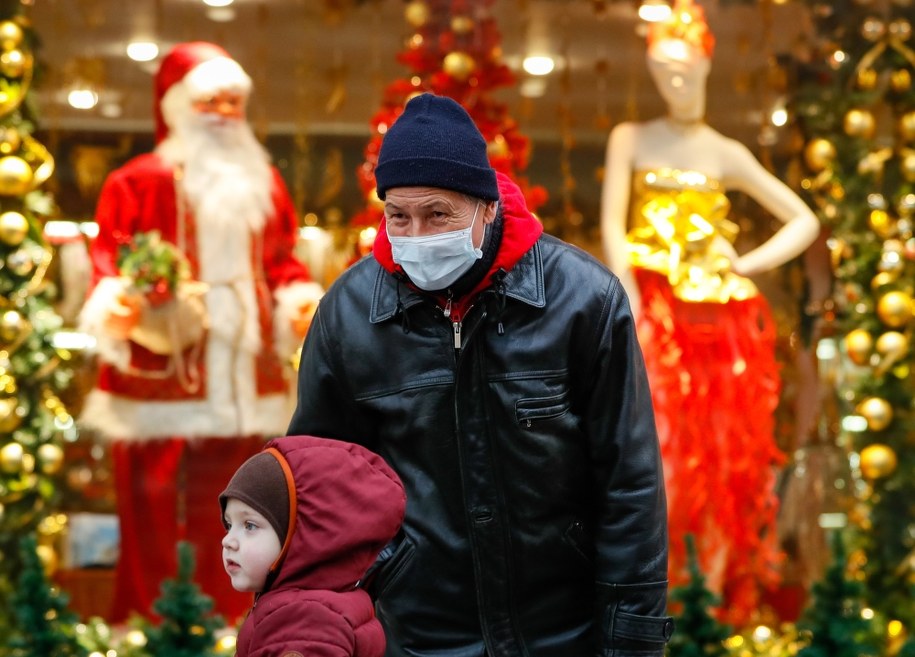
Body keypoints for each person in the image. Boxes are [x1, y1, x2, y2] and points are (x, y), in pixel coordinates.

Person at [286, 92, 673, 657]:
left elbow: (629, 483)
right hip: (414, 631)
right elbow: (318, 484)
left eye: (438, 214)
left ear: (488, 205)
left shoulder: (583, 300)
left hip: (563, 631)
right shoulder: (348, 313)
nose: (416, 235)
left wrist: (633, 641)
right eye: (399, 215)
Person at [78, 42, 322, 623]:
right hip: (161, 379)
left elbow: (281, 261)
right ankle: (149, 624)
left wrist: (299, 303)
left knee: (249, 510)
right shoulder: (135, 182)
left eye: (233, 101)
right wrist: (116, 304)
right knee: (155, 507)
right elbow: (108, 264)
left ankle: (239, 625)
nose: (222, 111)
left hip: (247, 380)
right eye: (208, 98)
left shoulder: (264, 182)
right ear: (176, 105)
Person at [599, 0, 820, 625]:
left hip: (721, 328)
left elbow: (803, 220)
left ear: (706, 67)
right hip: (657, 319)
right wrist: (633, 305)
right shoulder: (631, 139)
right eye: (663, 70)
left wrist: (743, 266)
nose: (676, 83)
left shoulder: (723, 151)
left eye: (686, 70)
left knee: (724, 455)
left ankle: (715, 601)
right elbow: (614, 230)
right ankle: (659, 599)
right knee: (659, 450)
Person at [219, 435, 406, 657]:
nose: (228, 540)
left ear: (300, 537)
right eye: (229, 525)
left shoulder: (299, 623)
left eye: (249, 525)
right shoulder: (328, 603)